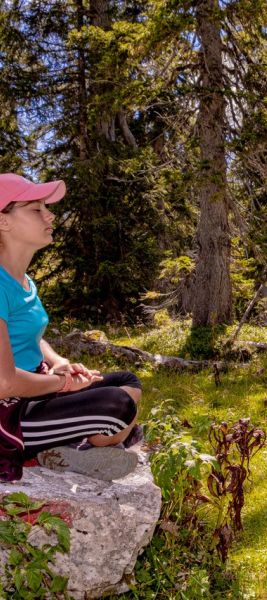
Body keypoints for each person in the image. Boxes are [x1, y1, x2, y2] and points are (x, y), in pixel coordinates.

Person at [0, 172, 142, 481]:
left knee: (127, 382)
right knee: (118, 405)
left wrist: (58, 363)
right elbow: (4, 383)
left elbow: (29, 337)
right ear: (3, 221)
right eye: (36, 209)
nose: (49, 214)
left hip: (35, 391)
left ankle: (71, 447)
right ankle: (72, 449)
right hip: (8, 412)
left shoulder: (23, 281)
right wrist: (62, 384)